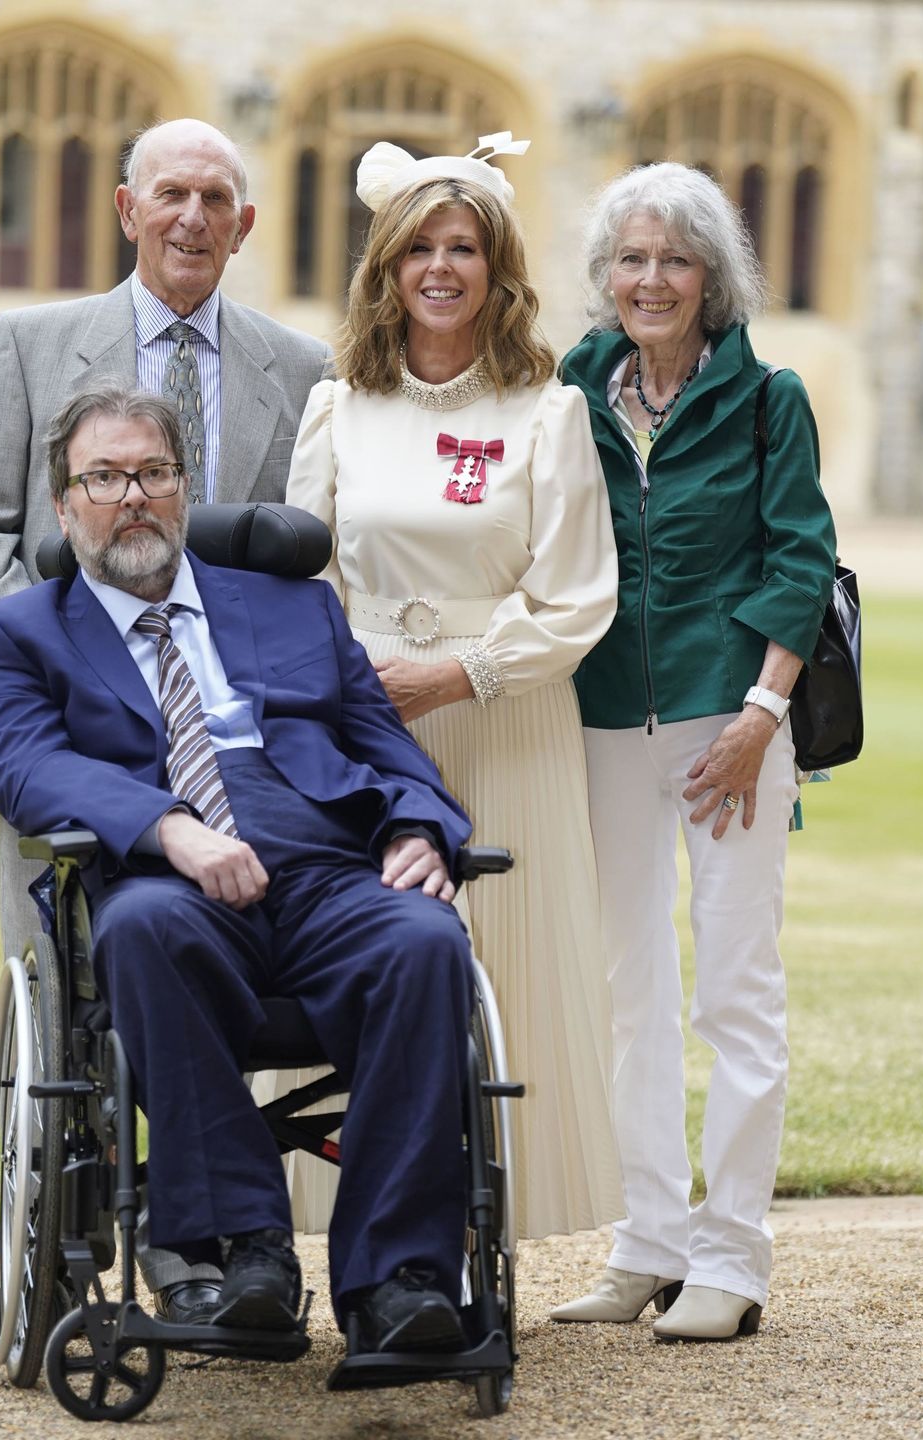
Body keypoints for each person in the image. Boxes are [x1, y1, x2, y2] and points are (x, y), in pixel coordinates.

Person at [0, 382, 476, 1355]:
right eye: (104, 477)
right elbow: (23, 764)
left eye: (153, 472)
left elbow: (382, 742)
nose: (132, 496)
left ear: (184, 487)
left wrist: (418, 827)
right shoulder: (21, 633)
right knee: (139, 930)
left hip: (329, 868)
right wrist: (170, 826)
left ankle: (398, 1278)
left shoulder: (293, 609)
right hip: (172, 881)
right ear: (65, 505)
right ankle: (247, 1249)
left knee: (425, 937)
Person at [285, 136, 624, 1239]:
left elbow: (577, 599)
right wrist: (357, 686)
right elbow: (305, 578)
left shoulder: (549, 410)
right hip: (367, 724)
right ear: (387, 267)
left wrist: (457, 673)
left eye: (464, 246)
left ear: (498, 266)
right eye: (419, 246)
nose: (441, 266)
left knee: (502, 965)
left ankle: (481, 1230)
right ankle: (361, 1224)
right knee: (365, 959)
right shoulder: (341, 405)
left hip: (505, 720)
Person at [550, 163, 837, 1341]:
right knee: (630, 993)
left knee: (735, 991)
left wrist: (759, 719)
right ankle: (649, 1243)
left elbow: (799, 562)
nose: (651, 279)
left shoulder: (770, 396)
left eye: (675, 258)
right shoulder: (572, 384)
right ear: (606, 276)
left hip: (737, 722)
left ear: (715, 277)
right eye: (631, 258)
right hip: (610, 714)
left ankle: (734, 1257)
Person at [0, 117, 331, 961]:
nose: (193, 216)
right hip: (68, 729)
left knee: (243, 989)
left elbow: (301, 554)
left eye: (215, 199)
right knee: (60, 1002)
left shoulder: (305, 368)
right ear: (127, 211)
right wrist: (64, 668)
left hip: (236, 737)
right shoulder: (29, 344)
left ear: (244, 224)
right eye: (171, 195)